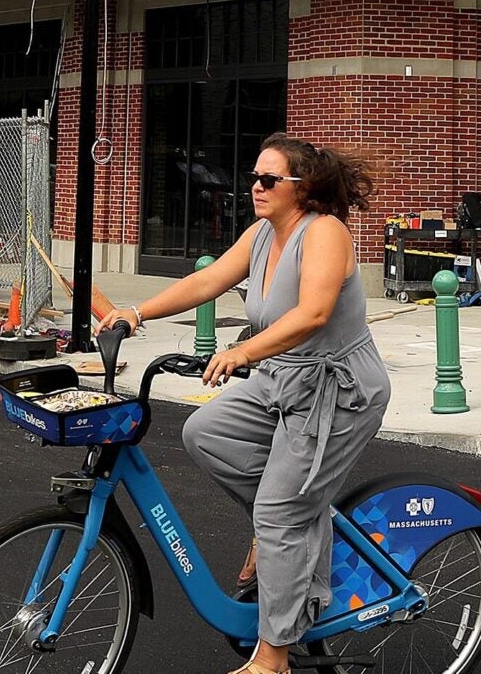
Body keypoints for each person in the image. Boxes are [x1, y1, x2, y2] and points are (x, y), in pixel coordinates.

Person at [101, 134, 390, 674]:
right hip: (281, 379)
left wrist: (242, 352)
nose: (253, 187)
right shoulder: (261, 234)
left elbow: (313, 314)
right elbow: (208, 279)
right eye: (253, 177)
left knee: (282, 511)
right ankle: (289, 524)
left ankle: (273, 656)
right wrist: (136, 313)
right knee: (206, 432)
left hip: (338, 391)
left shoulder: (324, 233)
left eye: (267, 180)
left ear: (301, 189)